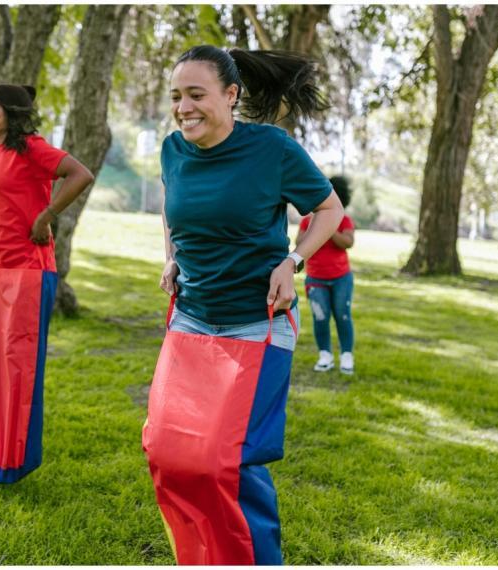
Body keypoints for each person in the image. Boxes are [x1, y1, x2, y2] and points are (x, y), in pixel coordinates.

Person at [142, 45, 344, 564]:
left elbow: (327, 208)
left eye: (196, 95)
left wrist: (292, 261)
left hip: (257, 324)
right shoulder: (172, 150)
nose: (184, 107)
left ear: (231, 96)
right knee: (166, 451)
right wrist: (172, 257)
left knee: (226, 462)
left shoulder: (271, 149)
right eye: (176, 97)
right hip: (190, 318)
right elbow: (172, 206)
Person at [0, 84, 93, 483]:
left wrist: (47, 214)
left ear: (12, 113)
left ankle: (16, 460)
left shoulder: (32, 148)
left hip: (28, 269)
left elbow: (80, 174)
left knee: (18, 364)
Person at [296, 175, 356, 375]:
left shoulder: (344, 219)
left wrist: (329, 226)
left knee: (342, 315)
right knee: (320, 317)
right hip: (316, 278)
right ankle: (325, 355)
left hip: (341, 278)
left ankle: (346, 355)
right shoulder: (307, 222)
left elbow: (348, 242)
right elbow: (300, 243)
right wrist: (317, 224)